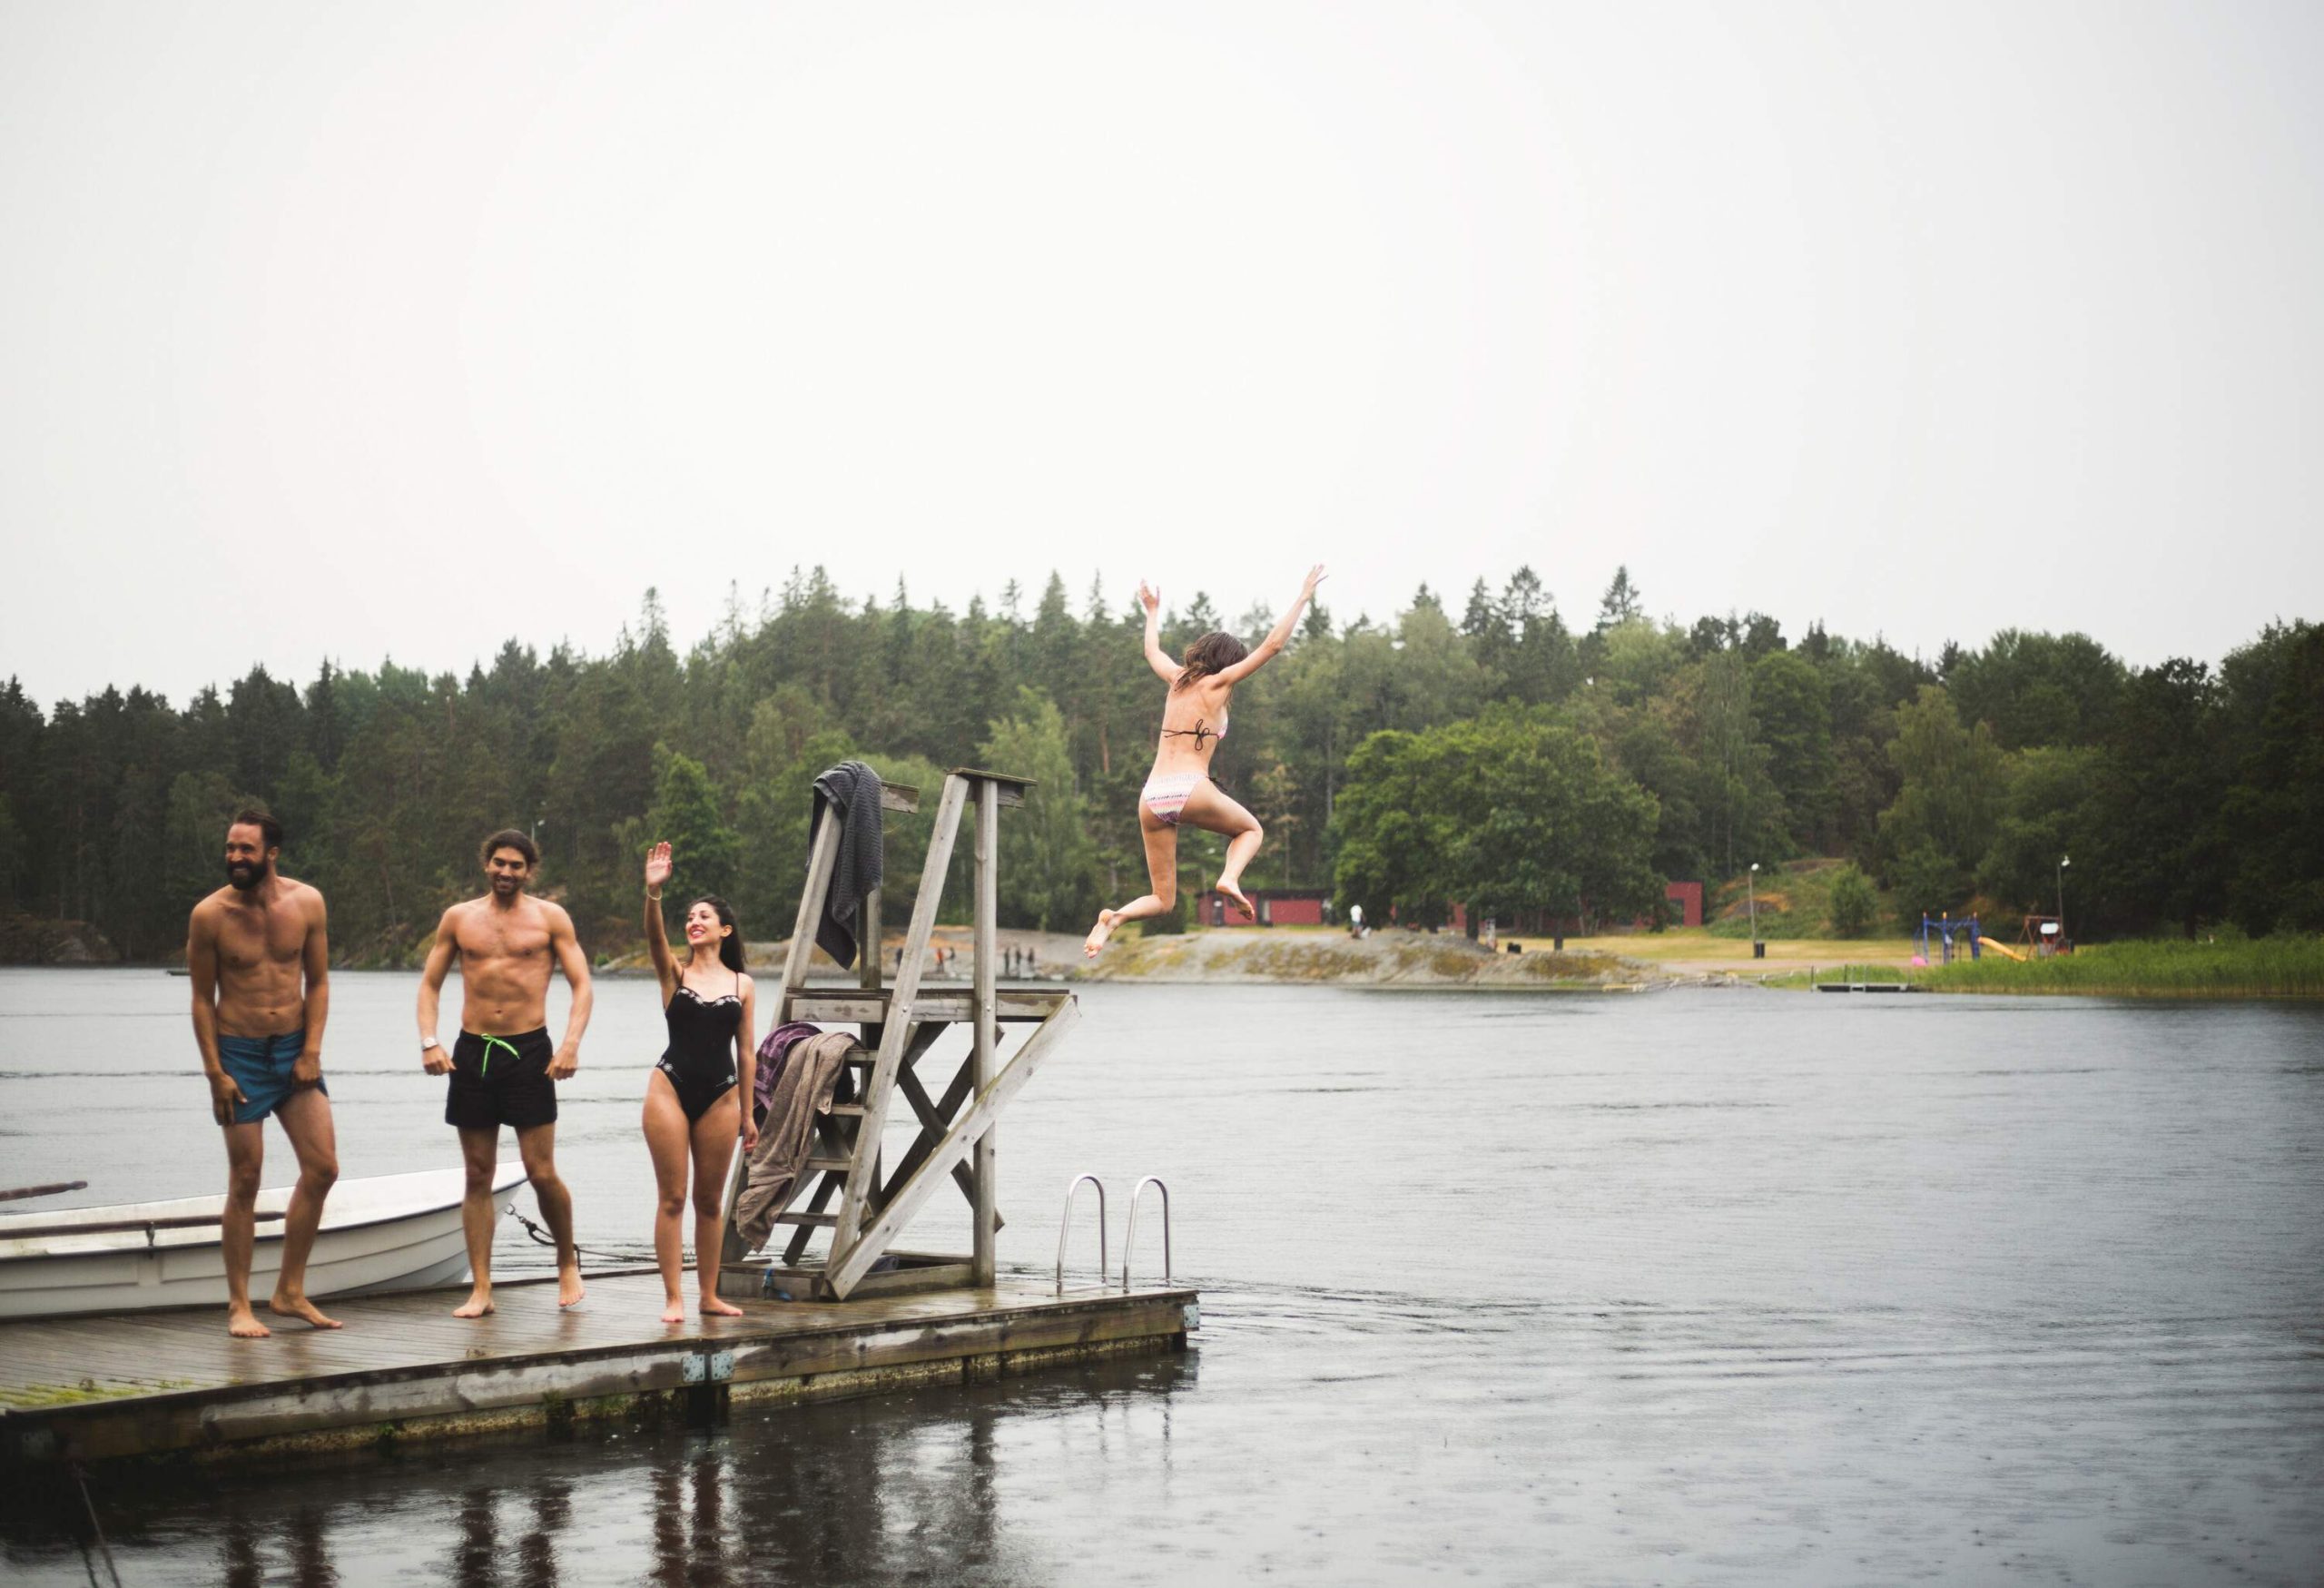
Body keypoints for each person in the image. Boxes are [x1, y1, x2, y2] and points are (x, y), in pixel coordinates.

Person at [1086, 565, 1325, 956]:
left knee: (1163, 900)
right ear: (1227, 661)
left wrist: (1151, 612)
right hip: (1188, 788)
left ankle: (1113, 918)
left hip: (1151, 798)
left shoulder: (1176, 679)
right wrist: (1302, 597)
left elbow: (1151, 651)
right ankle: (1230, 878)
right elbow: (1273, 646)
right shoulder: (1218, 683)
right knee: (1251, 832)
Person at [417, 829, 595, 1316]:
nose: (505, 872)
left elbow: (582, 985)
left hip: (529, 1052)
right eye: (498, 863)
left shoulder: (550, 919)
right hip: (472, 1053)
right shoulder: (459, 919)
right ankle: (482, 1288)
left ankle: (565, 1261)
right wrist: (429, 1040)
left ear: (529, 870)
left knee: (541, 1172)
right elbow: (430, 984)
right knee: (477, 1174)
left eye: (516, 865)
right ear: (486, 864)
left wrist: (571, 1045)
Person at [185, 809, 341, 1337]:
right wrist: (215, 1073)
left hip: (295, 1052)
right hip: (240, 1056)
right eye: (230, 847)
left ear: (271, 853)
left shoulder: (308, 903)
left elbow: (317, 982)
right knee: (246, 1180)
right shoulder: (210, 915)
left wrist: (312, 1051)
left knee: (322, 1170)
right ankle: (239, 1306)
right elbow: (202, 1000)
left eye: (246, 849)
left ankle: (289, 1291)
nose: (235, 857)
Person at [640, 841, 757, 1323]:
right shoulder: (675, 972)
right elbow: (653, 940)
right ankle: (674, 1298)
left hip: (721, 1095)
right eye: (690, 916)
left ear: (724, 930)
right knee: (672, 1197)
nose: (695, 921)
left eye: (704, 916)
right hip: (669, 1087)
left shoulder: (742, 984)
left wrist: (749, 1114)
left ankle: (708, 1295)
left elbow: (747, 1052)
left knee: (709, 1202)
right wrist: (654, 894)